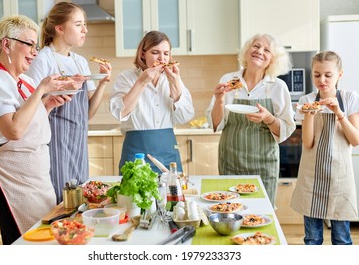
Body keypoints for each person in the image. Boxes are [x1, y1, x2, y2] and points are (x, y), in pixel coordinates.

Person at [0, 15, 75, 244]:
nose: (35, 52)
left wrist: (47, 106)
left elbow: (30, 126)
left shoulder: (26, 82)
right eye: (29, 44)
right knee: (24, 240)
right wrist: (41, 91)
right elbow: (14, 131)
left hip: (36, 175)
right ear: (6, 44)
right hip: (9, 173)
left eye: (36, 46)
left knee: (44, 233)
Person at [26, 2, 112, 204]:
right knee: (59, 201)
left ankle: (76, 235)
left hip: (78, 144)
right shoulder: (42, 59)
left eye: (85, 25)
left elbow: (87, 114)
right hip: (53, 143)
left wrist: (103, 83)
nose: (85, 30)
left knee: (81, 199)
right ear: (60, 28)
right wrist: (54, 93)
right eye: (79, 24)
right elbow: (31, 107)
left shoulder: (80, 62)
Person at [206, 33, 296, 206]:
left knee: (261, 212)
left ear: (272, 60)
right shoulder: (228, 80)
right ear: (247, 51)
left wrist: (268, 118)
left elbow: (286, 128)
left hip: (264, 163)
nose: (259, 51)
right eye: (256, 46)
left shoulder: (278, 87)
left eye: (266, 50)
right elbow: (216, 124)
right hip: (230, 160)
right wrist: (219, 100)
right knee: (231, 209)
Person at [291, 51, 359, 245]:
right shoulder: (306, 101)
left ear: (340, 74)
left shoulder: (349, 98)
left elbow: (355, 140)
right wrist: (310, 113)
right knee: (312, 239)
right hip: (311, 179)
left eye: (328, 75)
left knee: (342, 239)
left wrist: (339, 112)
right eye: (317, 74)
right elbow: (308, 143)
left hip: (340, 180)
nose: (322, 80)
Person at [110, 30, 194, 173]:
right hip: (136, 154)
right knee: (134, 195)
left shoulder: (173, 79)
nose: (162, 58)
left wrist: (175, 84)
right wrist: (142, 81)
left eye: (166, 53)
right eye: (155, 52)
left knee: (171, 194)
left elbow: (185, 116)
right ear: (143, 54)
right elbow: (119, 112)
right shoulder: (126, 78)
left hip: (168, 153)